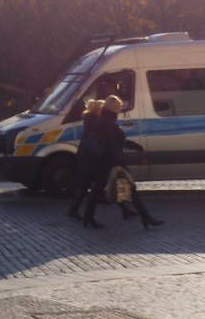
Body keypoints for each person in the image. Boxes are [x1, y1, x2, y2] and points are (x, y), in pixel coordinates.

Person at [82, 96, 163, 229]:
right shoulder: (108, 122)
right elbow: (112, 145)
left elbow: (115, 141)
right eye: (119, 106)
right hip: (111, 162)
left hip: (104, 162)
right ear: (114, 107)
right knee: (130, 189)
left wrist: (135, 147)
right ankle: (146, 218)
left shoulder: (105, 121)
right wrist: (118, 163)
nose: (120, 108)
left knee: (98, 190)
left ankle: (88, 217)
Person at [66, 99, 104, 220]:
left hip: (87, 156)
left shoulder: (89, 121)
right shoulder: (95, 122)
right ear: (98, 110)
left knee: (88, 184)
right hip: (91, 157)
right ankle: (75, 209)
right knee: (86, 185)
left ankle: (76, 209)